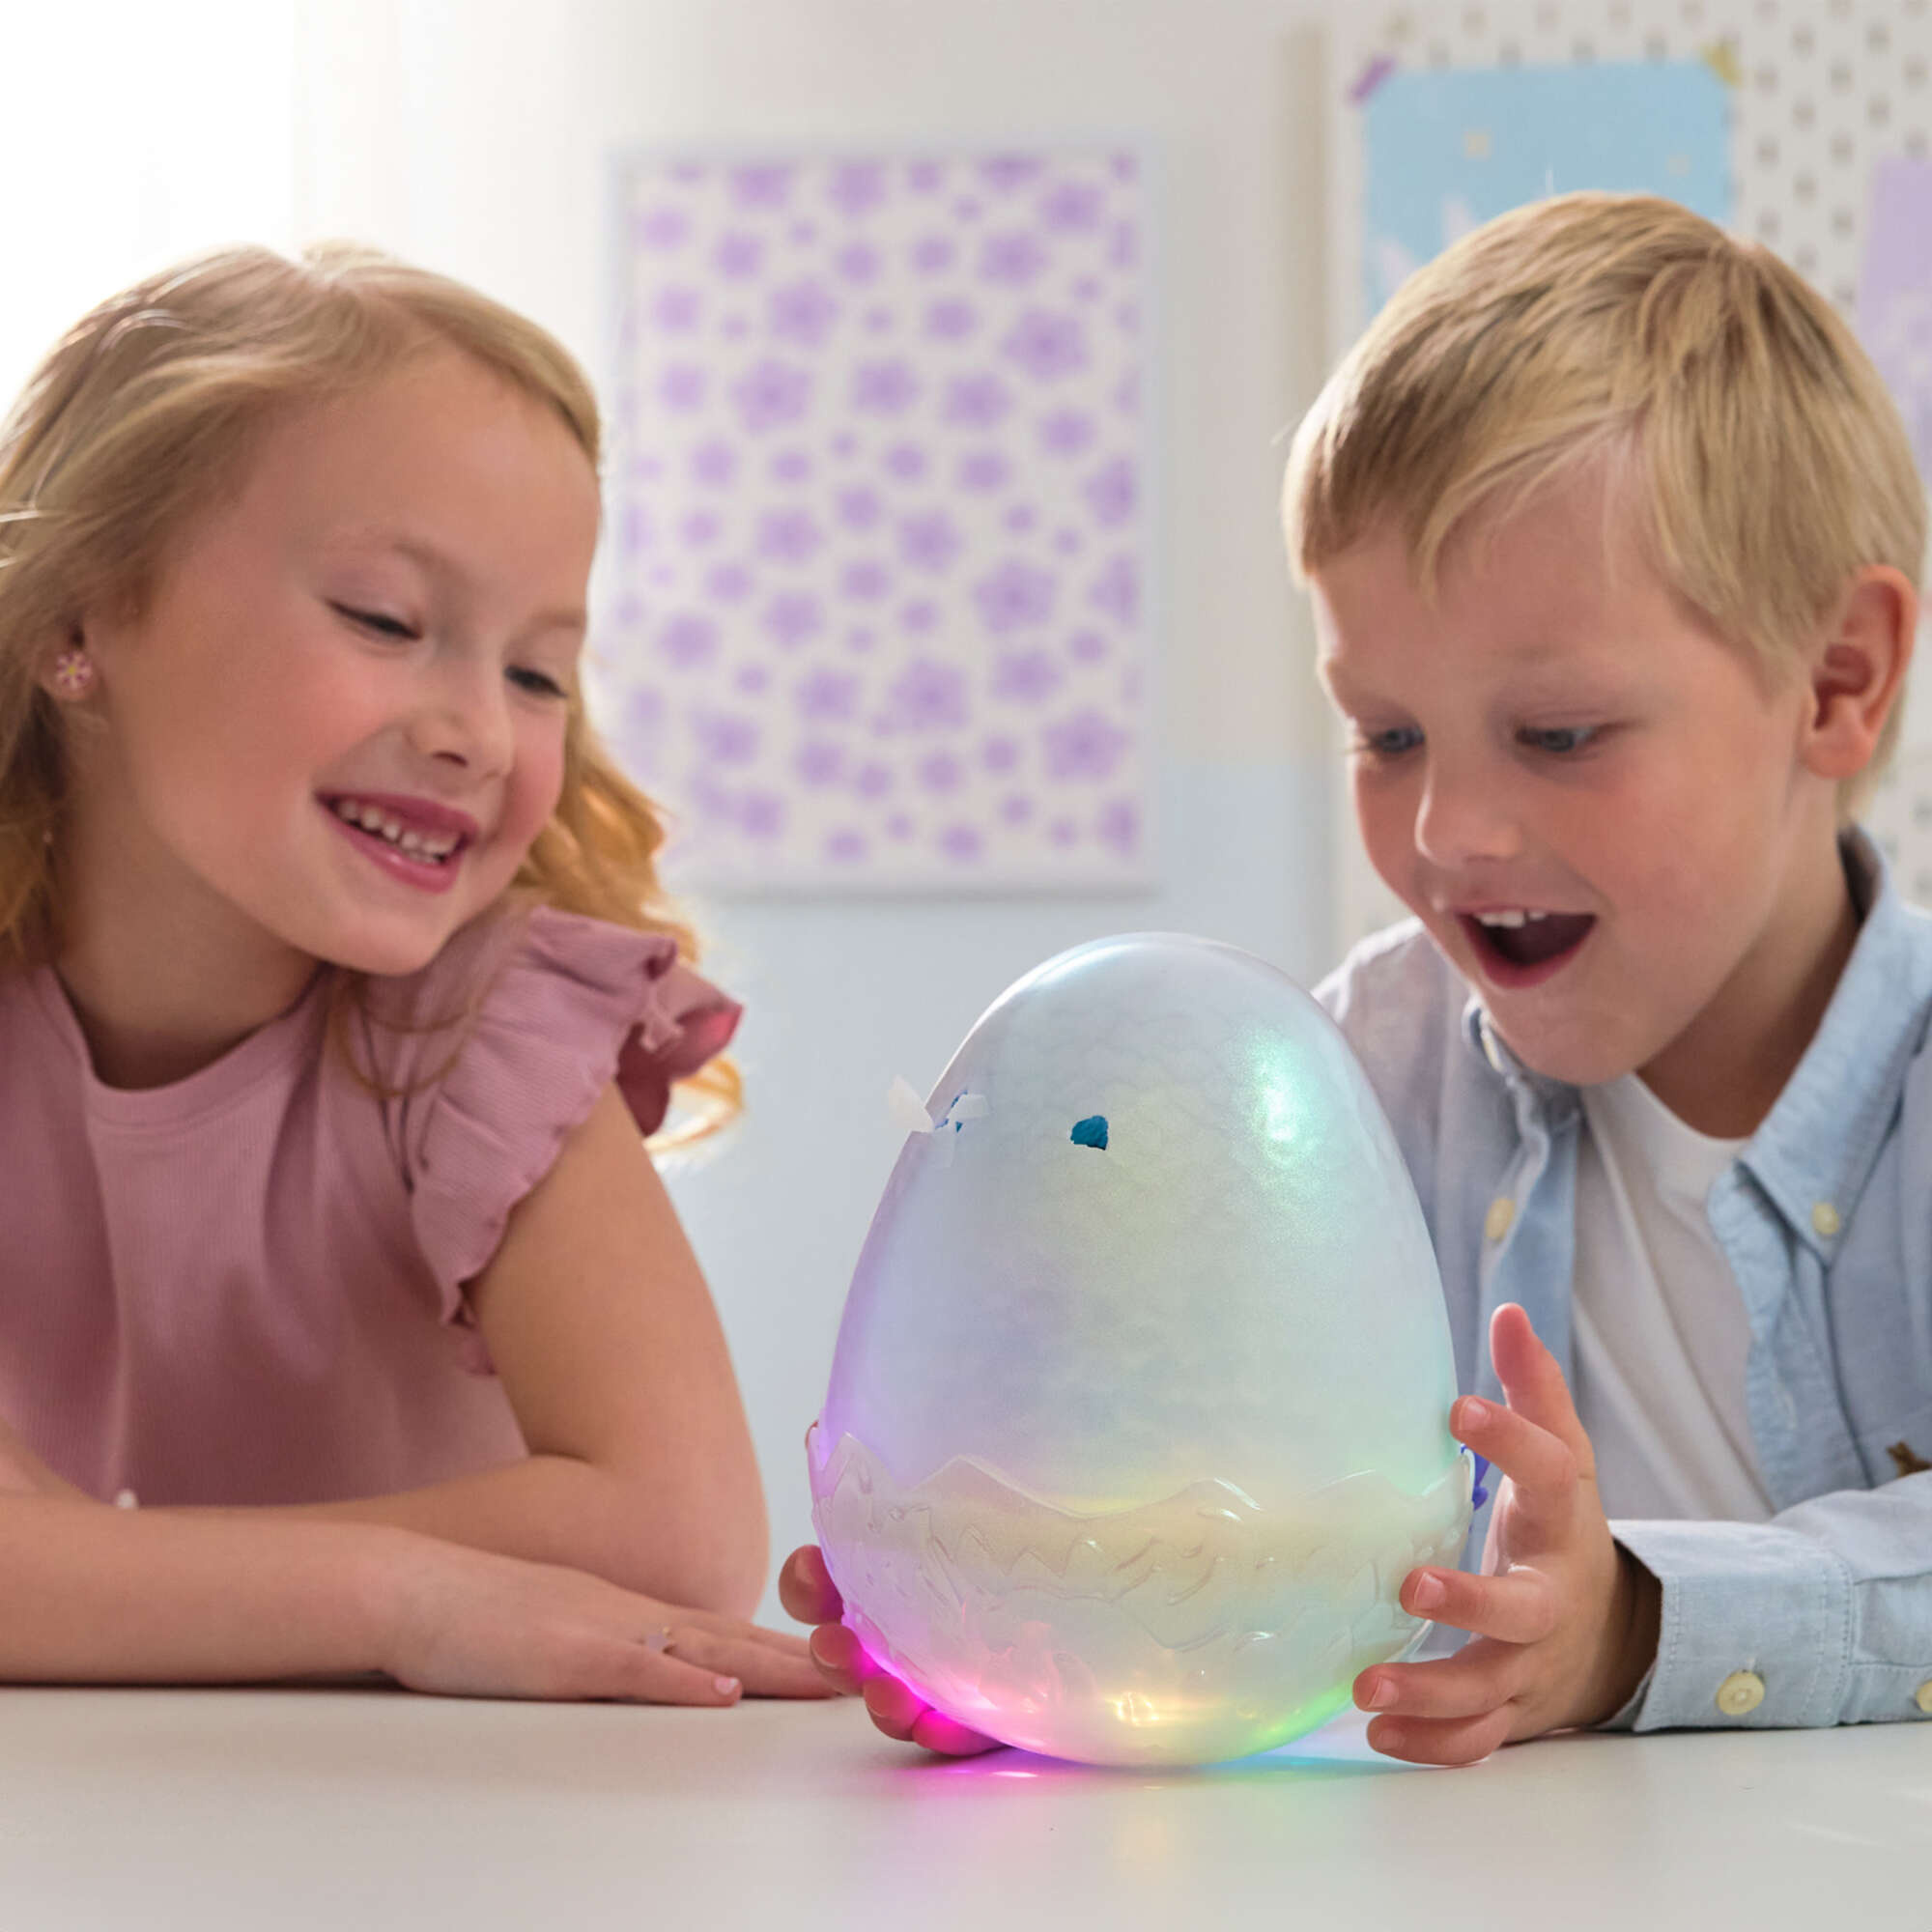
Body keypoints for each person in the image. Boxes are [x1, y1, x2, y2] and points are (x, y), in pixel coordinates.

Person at [781, 191, 1932, 1763]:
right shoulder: (1356, 1081)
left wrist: (1637, 1623)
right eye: (1387, 735)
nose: (1449, 830)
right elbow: (1177, 1453)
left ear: (1838, 682)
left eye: (1558, 734)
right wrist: (1035, 1609)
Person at [0, 242, 827, 1708]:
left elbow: (680, 1536)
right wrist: (401, 1598)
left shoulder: (489, 1033)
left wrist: (97, 1579)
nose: (481, 735)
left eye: (538, 673)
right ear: (80, 620)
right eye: (386, 620)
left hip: (433, 1811)